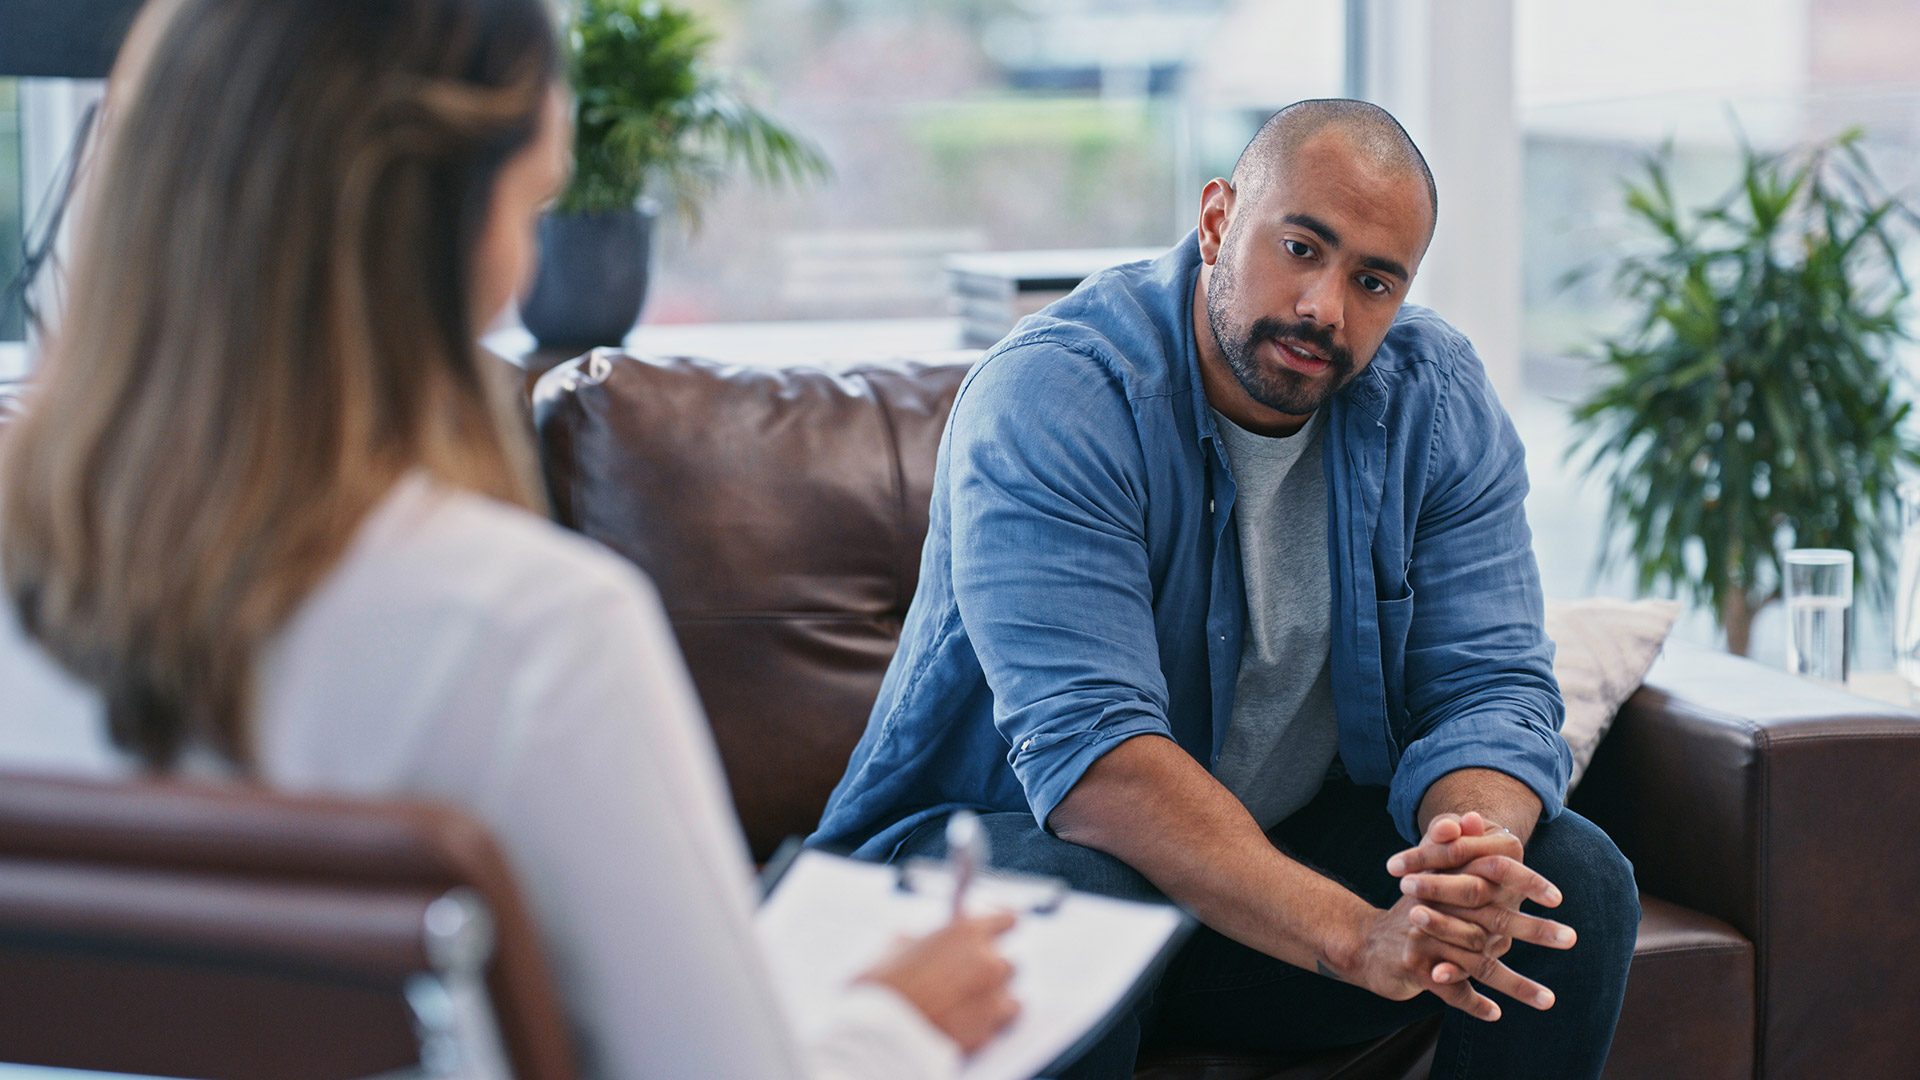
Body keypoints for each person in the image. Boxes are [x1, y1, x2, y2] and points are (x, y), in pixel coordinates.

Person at [0, 1, 1018, 1078]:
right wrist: (894, 1023)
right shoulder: (533, 632)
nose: (524, 266)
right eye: (532, 207)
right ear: (435, 230)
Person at [809, 99, 1640, 1079]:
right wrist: (1355, 936)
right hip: (989, 877)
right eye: (1301, 248)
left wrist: (1471, 858)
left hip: (1251, 896)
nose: (1325, 307)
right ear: (1216, 222)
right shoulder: (1057, 394)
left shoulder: (1435, 399)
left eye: (1373, 281)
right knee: (1066, 896)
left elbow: (1489, 686)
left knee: (1570, 881)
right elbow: (1099, 763)